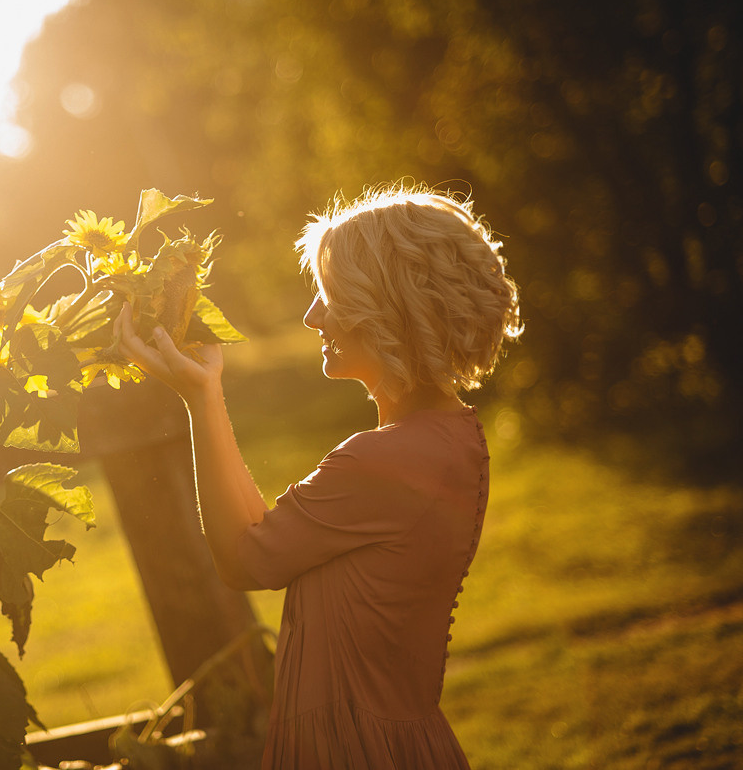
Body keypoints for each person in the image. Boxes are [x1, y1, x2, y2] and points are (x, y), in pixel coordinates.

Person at [114, 184, 522, 769]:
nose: (312, 316)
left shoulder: (384, 459)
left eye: (331, 297)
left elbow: (244, 560)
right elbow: (263, 540)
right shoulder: (453, 439)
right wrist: (205, 392)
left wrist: (200, 399)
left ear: (388, 309)